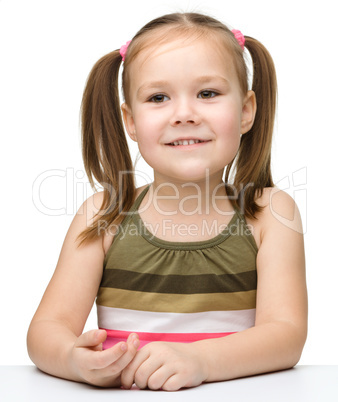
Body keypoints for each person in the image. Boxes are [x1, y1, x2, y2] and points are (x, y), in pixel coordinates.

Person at [27, 12, 308, 391]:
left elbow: (286, 336)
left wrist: (201, 360)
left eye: (207, 93)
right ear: (130, 120)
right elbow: (46, 330)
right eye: (158, 97)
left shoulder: (269, 214)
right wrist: (73, 360)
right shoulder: (104, 215)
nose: (184, 114)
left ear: (245, 111)